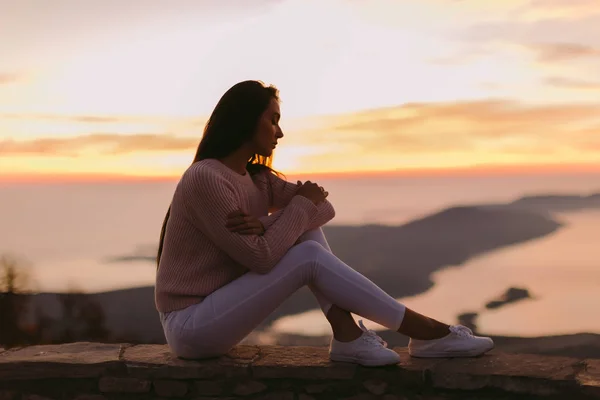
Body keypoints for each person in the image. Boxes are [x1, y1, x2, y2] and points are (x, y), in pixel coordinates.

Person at [155, 80, 494, 366]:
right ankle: (424, 332)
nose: (280, 132)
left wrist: (269, 224)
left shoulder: (258, 179)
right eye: (273, 120)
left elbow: (323, 208)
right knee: (306, 251)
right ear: (245, 120)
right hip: (190, 326)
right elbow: (260, 258)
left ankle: (347, 335)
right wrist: (288, 216)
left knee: (307, 232)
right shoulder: (206, 179)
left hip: (222, 311)